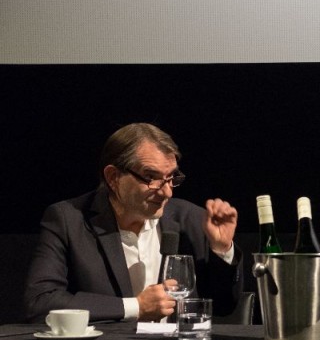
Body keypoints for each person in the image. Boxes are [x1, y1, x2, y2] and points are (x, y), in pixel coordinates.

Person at [24, 123, 243, 323]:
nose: (166, 192)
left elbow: (224, 306)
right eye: (151, 178)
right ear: (113, 177)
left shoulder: (191, 219)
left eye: (171, 178)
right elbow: (41, 302)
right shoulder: (68, 220)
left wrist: (222, 250)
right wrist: (136, 307)